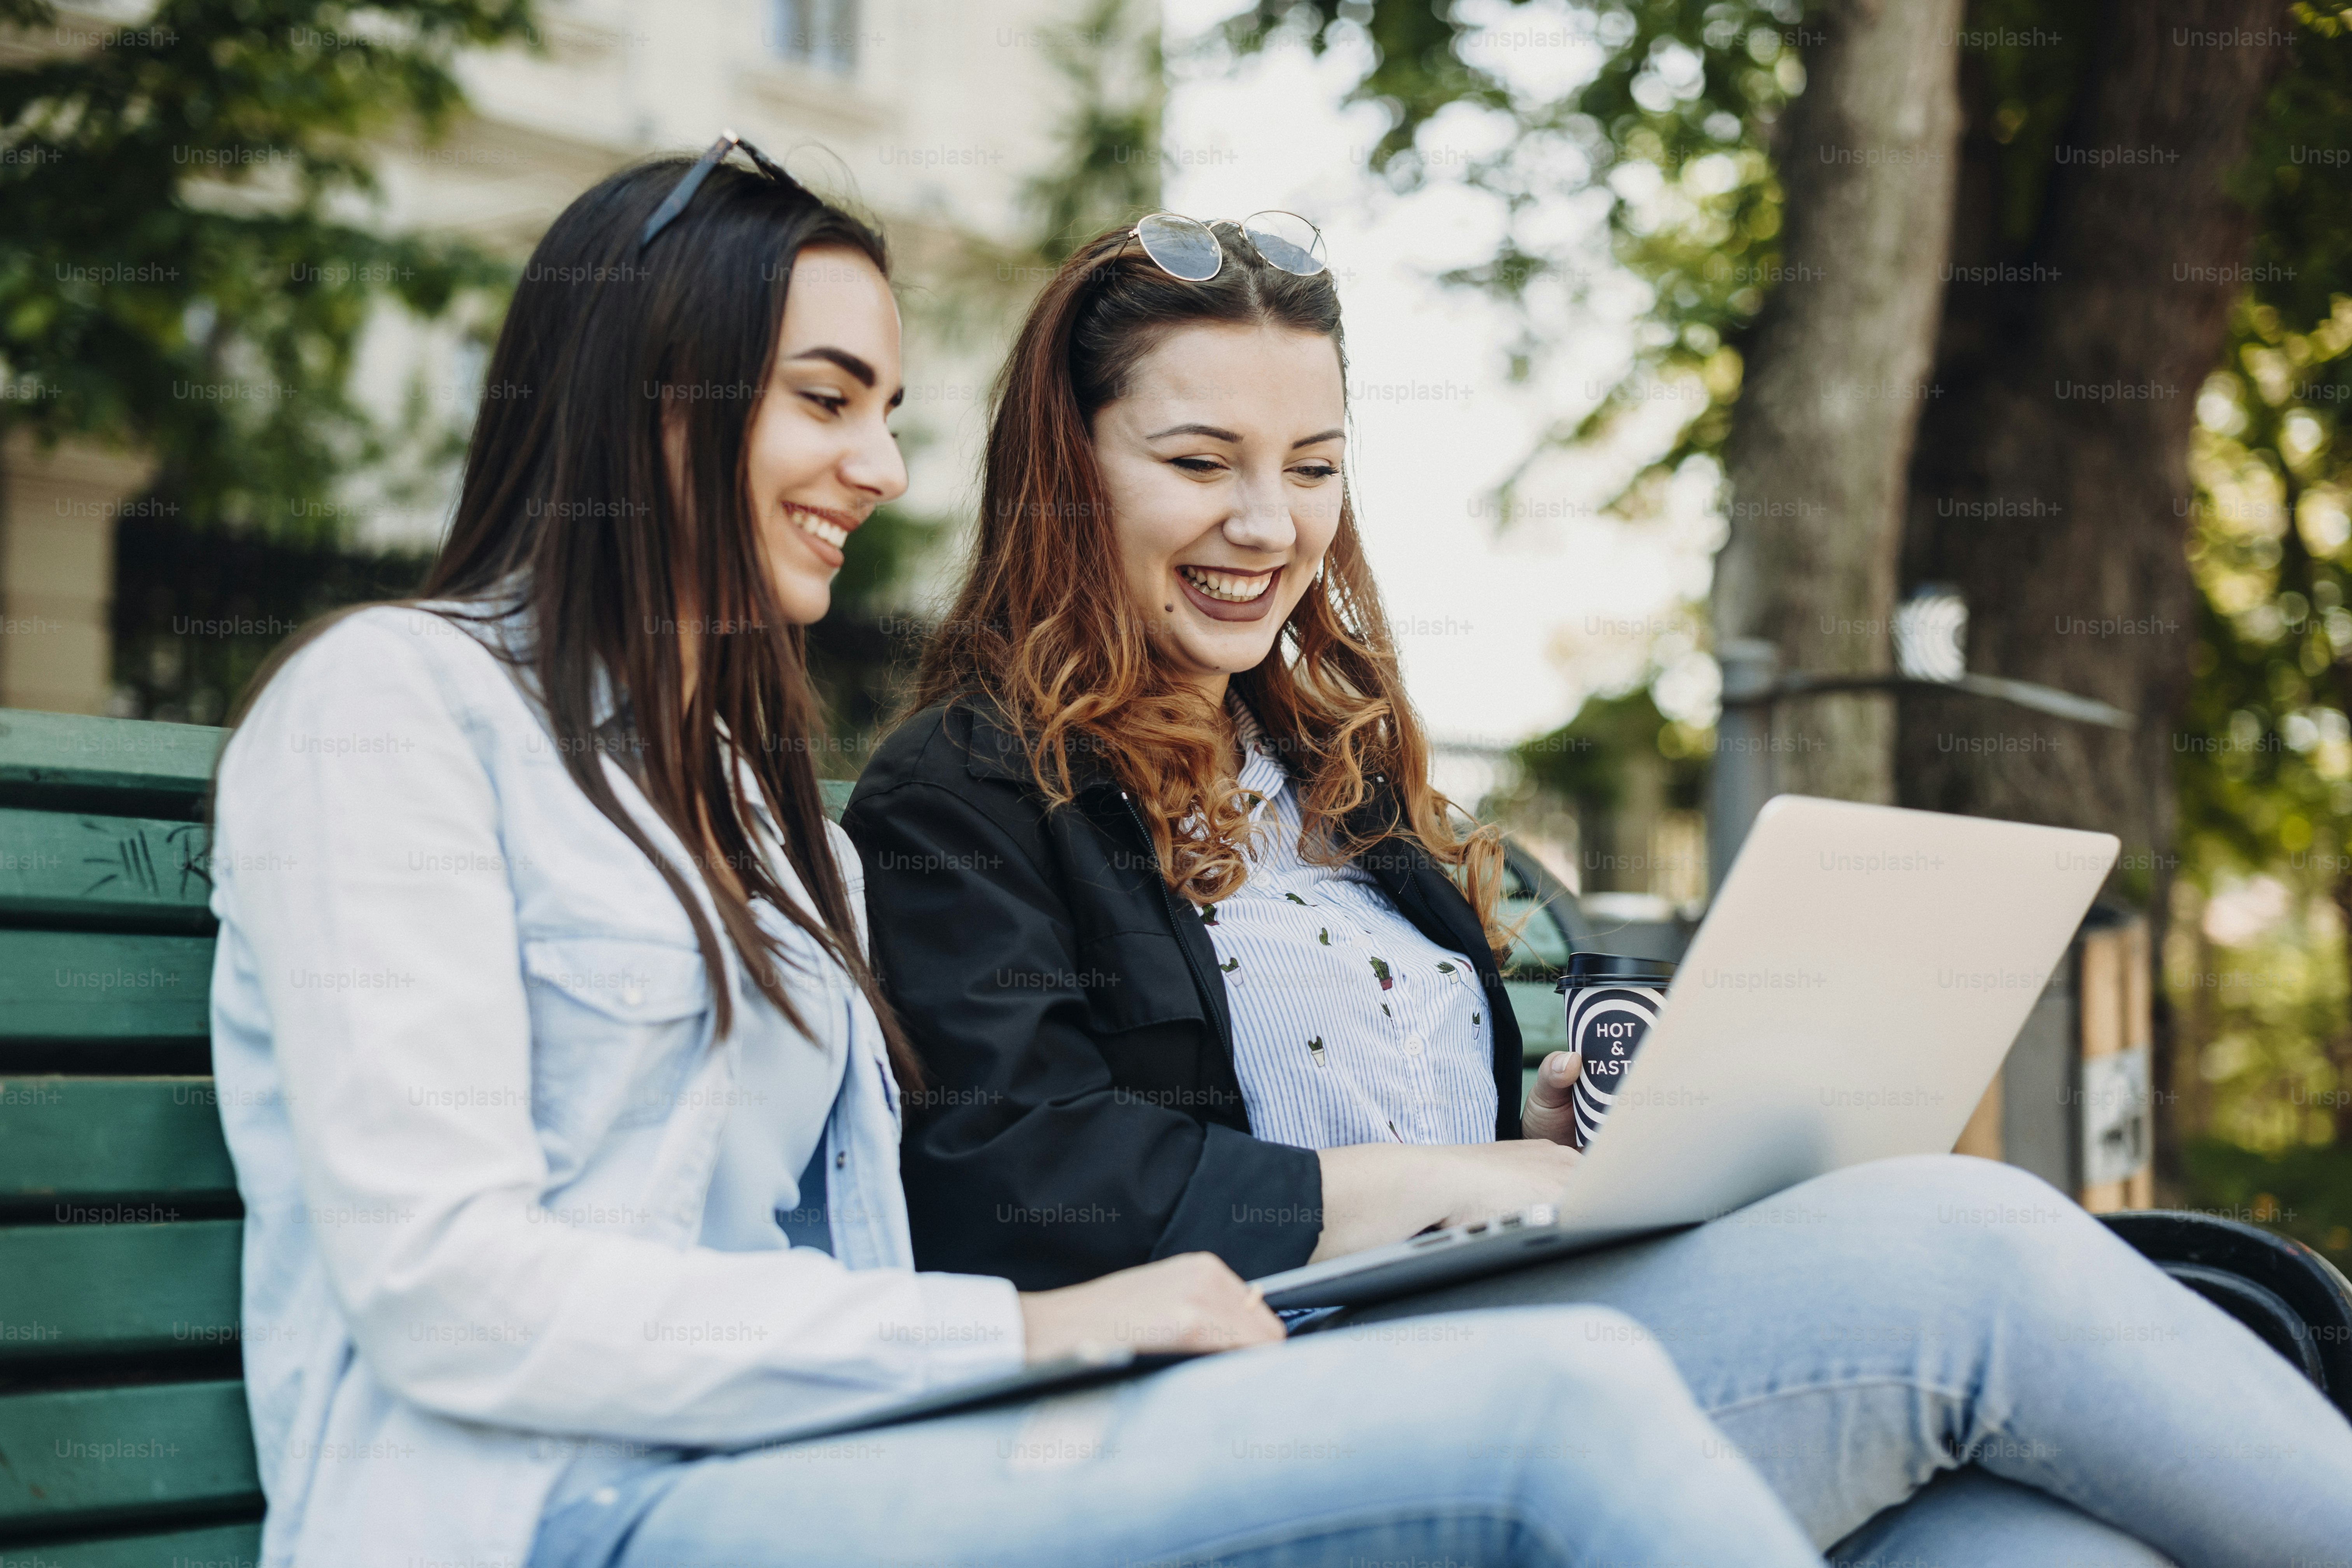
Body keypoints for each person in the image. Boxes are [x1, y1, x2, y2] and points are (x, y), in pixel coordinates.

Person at [203, 147, 1834, 1568]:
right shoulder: (391, 709)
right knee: (1550, 1412)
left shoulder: (766, 821)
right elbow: (448, 1288)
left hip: (845, 1468)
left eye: (887, 412)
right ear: (649, 399)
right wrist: (1034, 1329)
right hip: (539, 1519)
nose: (883, 468)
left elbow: (854, 1237)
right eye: (826, 401)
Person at [840, 212, 2352, 1566]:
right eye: (1197, 465)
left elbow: (1423, 1134)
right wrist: (1457, 1181)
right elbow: (1010, 1182)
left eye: (1311, 470)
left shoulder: (1332, 777)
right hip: (1288, 1391)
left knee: (2026, 1543)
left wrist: (1548, 1139)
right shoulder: (965, 790)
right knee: (1973, 1244)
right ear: (1063, 470)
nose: (1268, 525)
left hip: (1519, 1312)